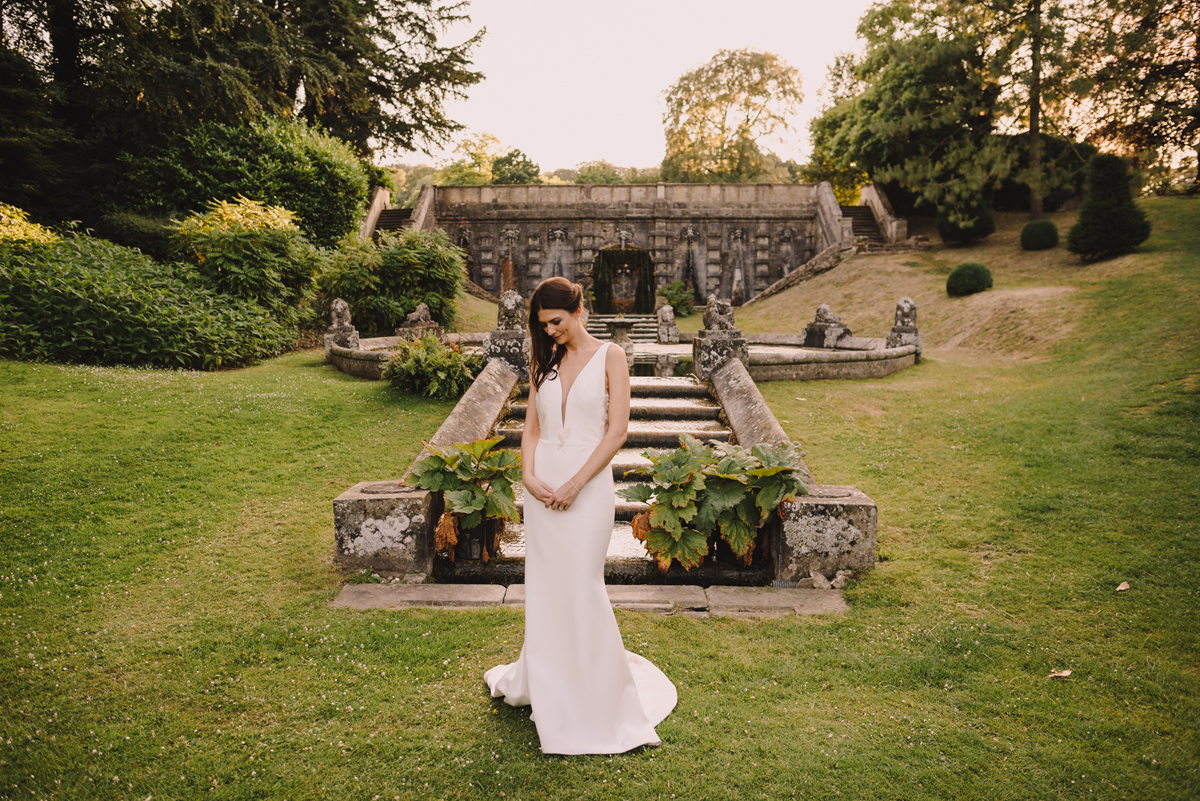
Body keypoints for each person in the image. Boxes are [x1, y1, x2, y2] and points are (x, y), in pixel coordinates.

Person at [484, 277, 677, 754]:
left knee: (583, 584)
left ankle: (595, 693)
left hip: (587, 487)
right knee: (548, 587)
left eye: (556, 322)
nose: (549, 331)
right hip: (543, 484)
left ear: (577, 310)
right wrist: (527, 476)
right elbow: (531, 427)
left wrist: (575, 484)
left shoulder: (611, 355)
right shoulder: (542, 359)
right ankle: (549, 678)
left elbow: (616, 432)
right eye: (542, 324)